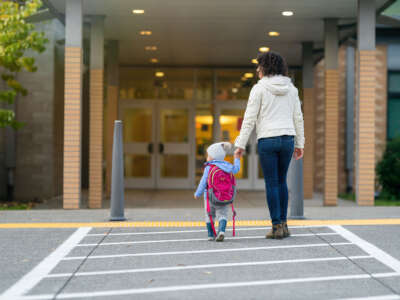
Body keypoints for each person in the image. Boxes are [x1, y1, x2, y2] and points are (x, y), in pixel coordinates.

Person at [234, 51, 305, 239]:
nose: (257, 70)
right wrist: (300, 143)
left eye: (259, 66)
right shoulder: (292, 89)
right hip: (288, 139)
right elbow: (298, 118)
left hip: (268, 140)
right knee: (282, 182)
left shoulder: (259, 89)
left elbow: (249, 119)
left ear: (265, 68)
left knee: (272, 183)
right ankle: (284, 225)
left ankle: (276, 227)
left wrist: (240, 144)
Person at [194, 142, 240, 241]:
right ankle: (221, 231)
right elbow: (236, 169)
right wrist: (236, 158)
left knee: (209, 214)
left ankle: (211, 235)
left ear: (213, 157)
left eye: (208, 155)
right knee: (223, 214)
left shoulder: (209, 167)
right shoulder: (227, 166)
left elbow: (203, 181)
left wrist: (198, 193)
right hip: (225, 196)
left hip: (209, 197)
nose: (207, 157)